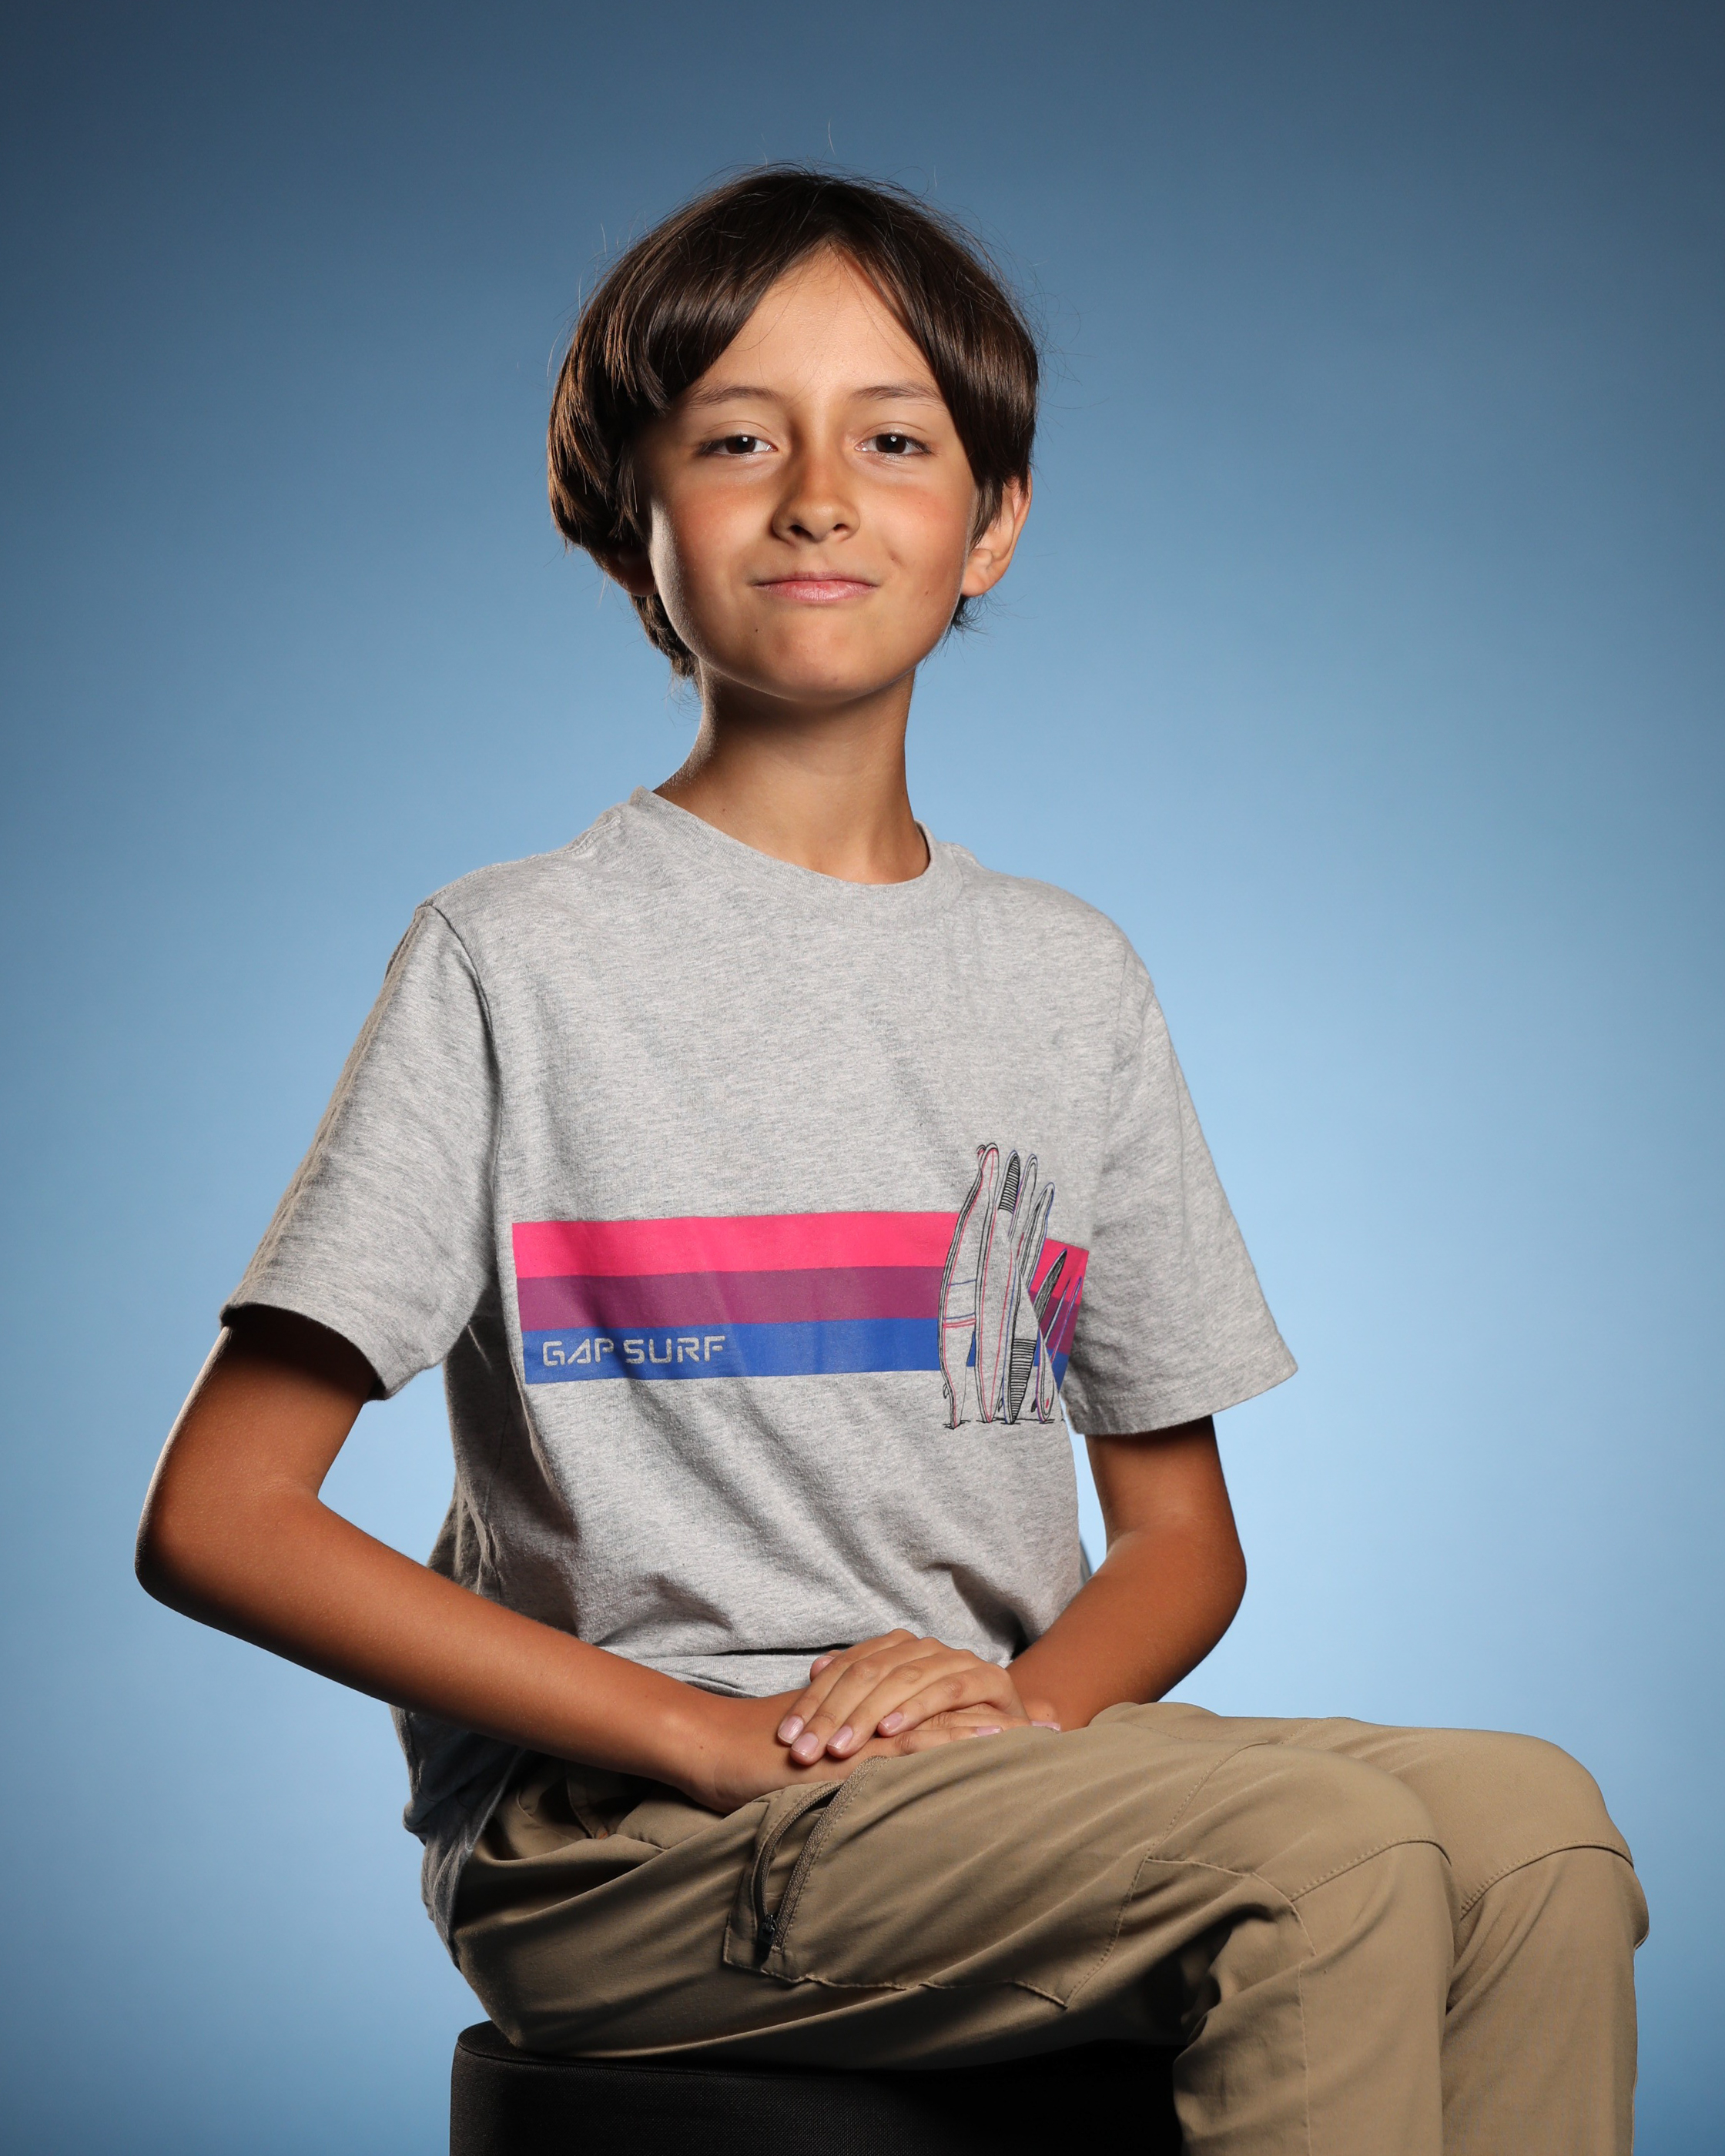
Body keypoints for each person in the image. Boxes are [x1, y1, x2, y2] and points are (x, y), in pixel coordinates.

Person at [136, 169, 1645, 2154]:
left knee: (1535, 1832)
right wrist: (706, 1736)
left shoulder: (1067, 980)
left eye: (896, 441)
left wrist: (1020, 1706)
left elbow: (1180, 1540)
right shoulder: (514, 959)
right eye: (736, 441)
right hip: (633, 1836)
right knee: (1334, 1859)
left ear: (992, 523)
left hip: (986, 1780)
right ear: (626, 518)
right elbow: (222, 1516)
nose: (818, 499)